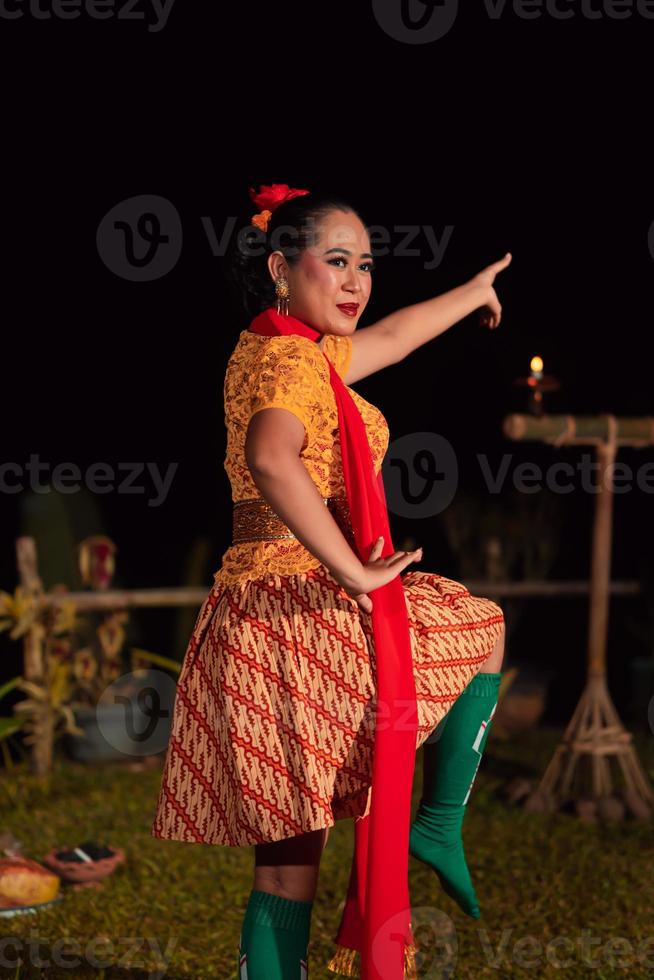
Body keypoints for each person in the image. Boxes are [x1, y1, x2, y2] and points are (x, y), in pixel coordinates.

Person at [151, 183, 510, 979]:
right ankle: (440, 821)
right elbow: (272, 457)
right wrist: (352, 570)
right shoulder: (289, 361)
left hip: (262, 615)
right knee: (481, 625)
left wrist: (471, 292)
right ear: (282, 268)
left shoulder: (284, 349)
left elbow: (393, 335)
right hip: (295, 609)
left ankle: (437, 825)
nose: (356, 281)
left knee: (285, 866)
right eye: (336, 261)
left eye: (367, 264)